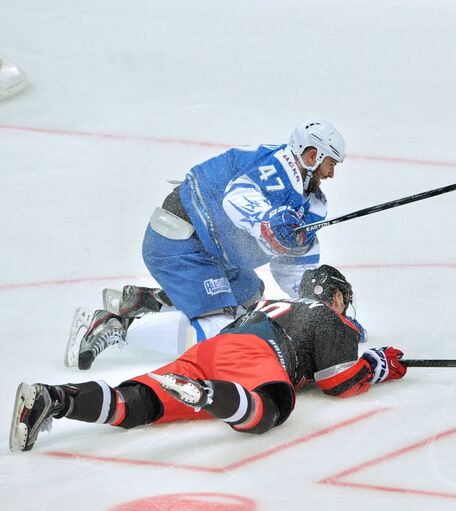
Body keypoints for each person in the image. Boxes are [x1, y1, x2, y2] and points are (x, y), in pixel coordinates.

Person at [11, 266, 406, 452]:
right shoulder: (327, 315)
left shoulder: (278, 302)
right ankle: (207, 395)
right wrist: (379, 365)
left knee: (138, 404)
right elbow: (339, 383)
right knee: (268, 411)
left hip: (212, 350)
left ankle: (54, 399)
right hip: (255, 356)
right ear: (336, 298)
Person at [65, 120, 359, 370]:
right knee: (219, 333)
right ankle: (113, 326)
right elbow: (236, 196)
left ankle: (144, 303)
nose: (332, 174)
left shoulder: (311, 203)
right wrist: (267, 220)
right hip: (180, 243)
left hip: (214, 255)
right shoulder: (277, 169)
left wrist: (319, 308)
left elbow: (294, 260)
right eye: (330, 164)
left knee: (250, 300)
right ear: (311, 155)